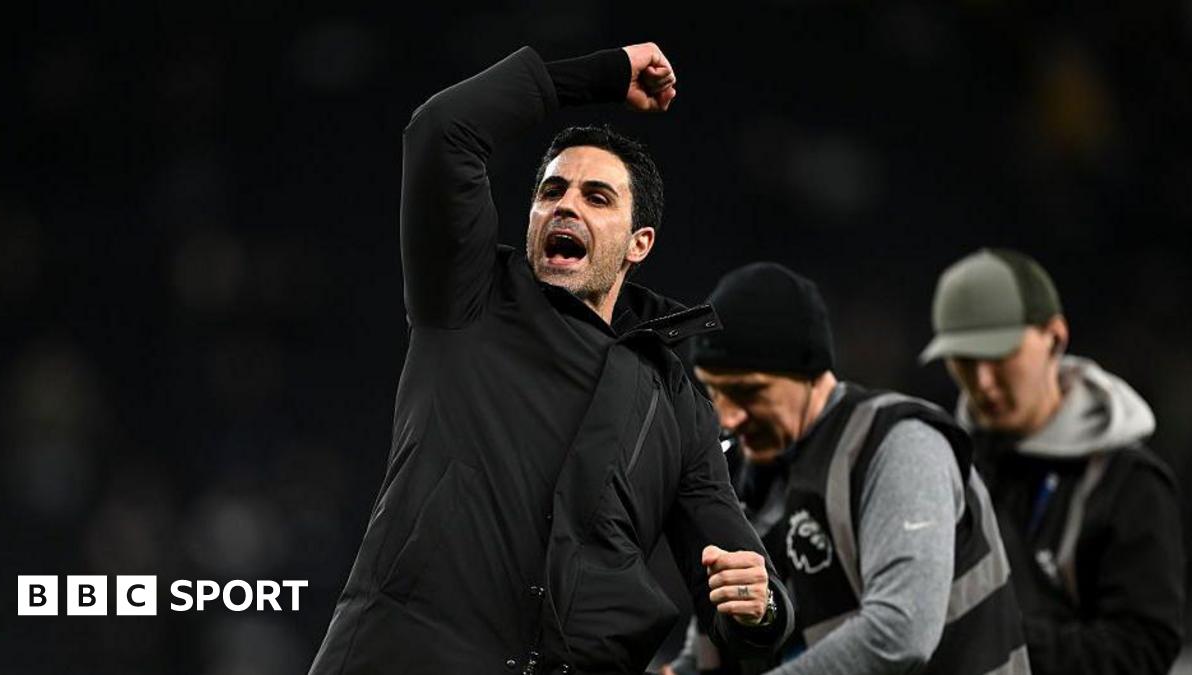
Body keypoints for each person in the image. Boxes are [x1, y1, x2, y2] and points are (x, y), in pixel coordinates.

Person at [308, 43, 794, 675]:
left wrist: (763, 608)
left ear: (637, 243)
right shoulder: (469, 293)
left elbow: (735, 576)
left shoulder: (676, 401)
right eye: (552, 190)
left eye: (597, 197)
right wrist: (600, 75)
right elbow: (442, 129)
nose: (566, 205)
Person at [690, 262, 1029, 675]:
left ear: (810, 371)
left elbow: (900, 631)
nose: (729, 417)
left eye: (749, 392)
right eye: (714, 391)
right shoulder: (749, 477)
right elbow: (709, 649)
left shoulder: (900, 446)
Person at [920, 248, 1184, 675]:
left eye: (1000, 355)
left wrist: (994, 637)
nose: (983, 383)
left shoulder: (1128, 481)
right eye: (965, 361)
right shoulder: (939, 467)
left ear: (1055, 337)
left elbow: (1143, 649)